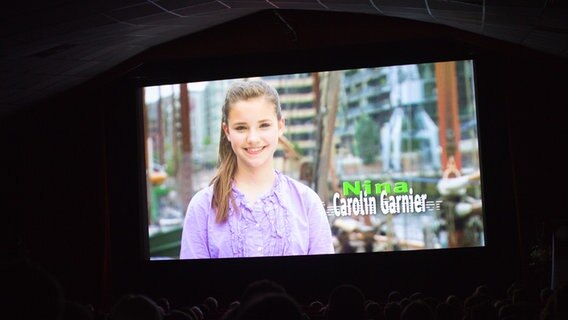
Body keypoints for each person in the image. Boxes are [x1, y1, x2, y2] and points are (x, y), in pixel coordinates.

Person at [180, 79, 334, 259]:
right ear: (227, 131)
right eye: (241, 128)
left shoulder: (308, 202)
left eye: (264, 125)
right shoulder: (202, 207)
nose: (253, 138)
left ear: (280, 126)